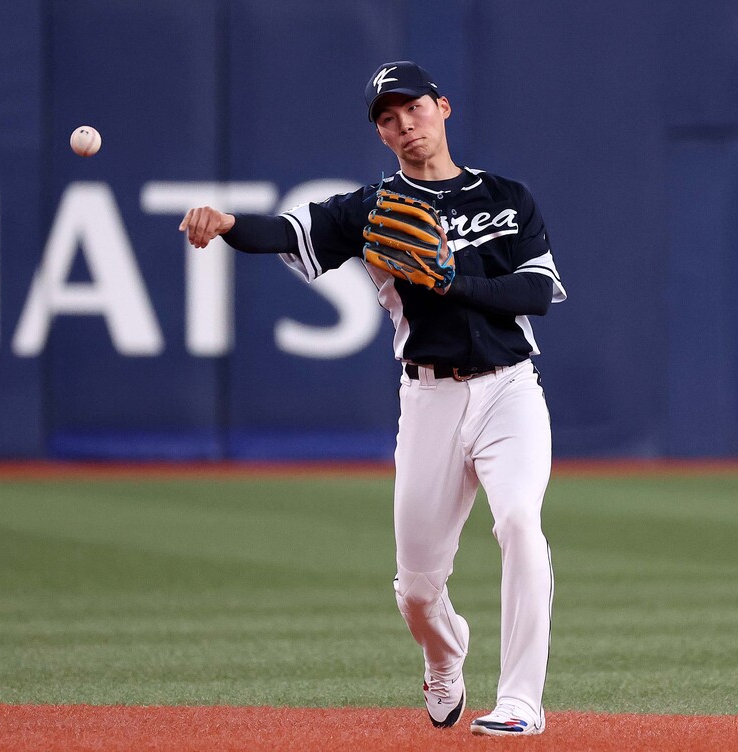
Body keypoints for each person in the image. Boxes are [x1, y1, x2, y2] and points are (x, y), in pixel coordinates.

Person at [179, 60, 565, 737]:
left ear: (443, 107)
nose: (404, 123)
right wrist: (228, 221)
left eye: (413, 107)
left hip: (510, 389)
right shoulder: (371, 209)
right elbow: (287, 231)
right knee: (416, 590)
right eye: (388, 118)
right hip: (429, 398)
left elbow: (535, 292)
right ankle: (445, 653)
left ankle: (520, 703)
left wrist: (451, 281)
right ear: (381, 134)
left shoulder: (508, 197)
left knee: (519, 524)